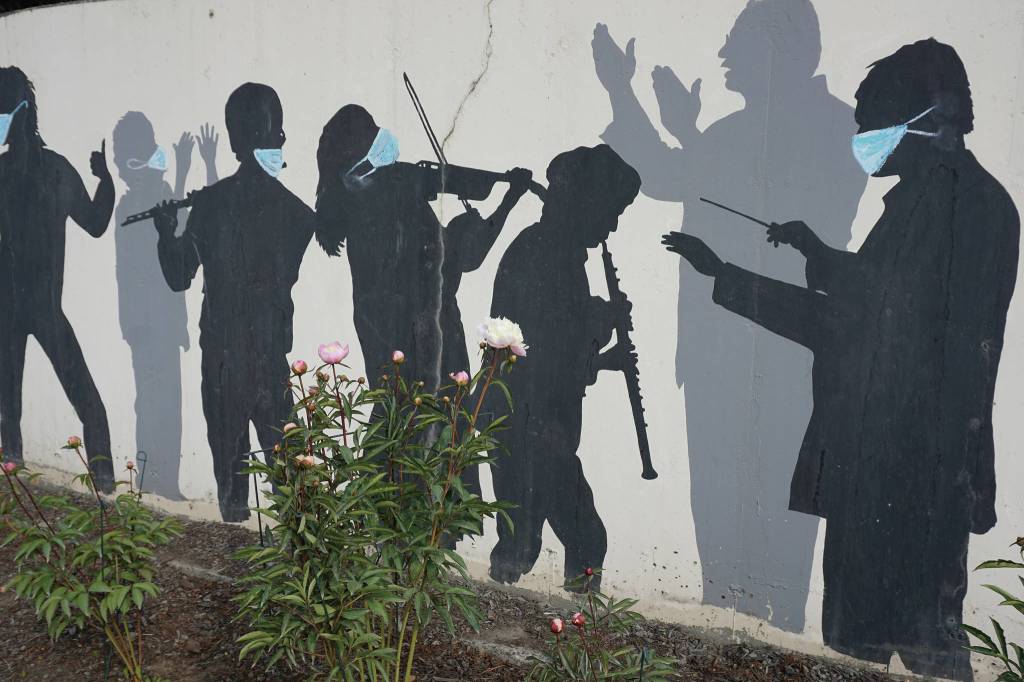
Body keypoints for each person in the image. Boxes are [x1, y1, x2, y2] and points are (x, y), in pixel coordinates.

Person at [663, 39, 1018, 681]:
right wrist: (816, 253)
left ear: (925, 120)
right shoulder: (929, 200)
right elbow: (883, 296)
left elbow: (870, 326)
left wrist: (729, 278)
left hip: (912, 473)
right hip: (879, 461)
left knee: (913, 644)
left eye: (873, 126)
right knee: (866, 638)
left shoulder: (970, 210)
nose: (862, 142)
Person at [591, 1, 866, 631]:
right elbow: (702, 176)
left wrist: (621, 90)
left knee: (778, 494)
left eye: (737, 41)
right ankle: (734, 617)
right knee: (728, 495)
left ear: (777, 47)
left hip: (787, 347)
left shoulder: (824, 129)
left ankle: (772, 625)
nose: (723, 54)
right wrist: (681, 128)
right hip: (730, 348)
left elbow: (670, 176)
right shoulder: (784, 130)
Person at [153, 83, 316, 522]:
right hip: (268, 355)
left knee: (232, 479)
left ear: (233, 140)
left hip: (223, 359)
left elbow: (178, 276)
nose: (283, 139)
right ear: (270, 135)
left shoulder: (210, 204)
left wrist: (166, 233)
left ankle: (235, 538)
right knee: (290, 475)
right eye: (278, 130)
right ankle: (297, 550)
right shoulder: (299, 214)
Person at [482, 144, 640, 589]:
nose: (611, 225)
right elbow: (550, 349)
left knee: (526, 534)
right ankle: (572, 599)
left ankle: (550, 595)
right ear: (584, 203)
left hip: (537, 417)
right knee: (560, 532)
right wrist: (602, 334)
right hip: (530, 420)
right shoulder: (543, 253)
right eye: (610, 212)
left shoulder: (556, 252)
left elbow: (561, 330)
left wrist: (599, 325)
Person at [314, 104, 532, 412]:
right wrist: (504, 204)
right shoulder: (396, 201)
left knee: (398, 424)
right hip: (428, 346)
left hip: (392, 346)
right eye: (374, 136)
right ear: (362, 163)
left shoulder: (365, 205)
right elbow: (463, 259)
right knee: (439, 427)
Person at [0, 66, 115, 491]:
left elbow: (95, 225)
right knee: (83, 399)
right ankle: (104, 477)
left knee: (8, 401)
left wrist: (106, 182)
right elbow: (96, 222)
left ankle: (12, 464)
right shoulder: (56, 169)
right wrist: (106, 181)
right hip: (42, 306)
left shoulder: (17, 171)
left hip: (11, 306)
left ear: (19, 113)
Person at [113, 115, 219, 500]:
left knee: (168, 404)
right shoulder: (129, 207)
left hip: (165, 323)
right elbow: (154, 245)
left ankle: (166, 482)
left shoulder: (153, 196)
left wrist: (194, 167)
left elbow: (187, 225)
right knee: (151, 404)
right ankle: (149, 480)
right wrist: (188, 169)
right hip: (146, 325)